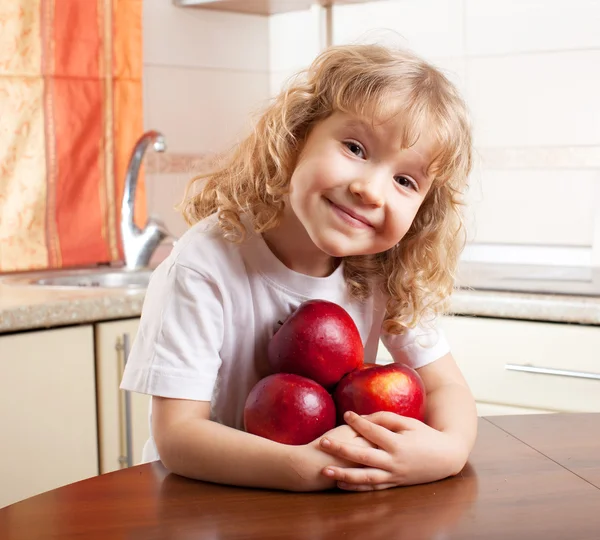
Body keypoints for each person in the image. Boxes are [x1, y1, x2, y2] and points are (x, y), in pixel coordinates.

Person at [120, 43, 478, 493]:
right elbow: (178, 437)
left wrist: (448, 451)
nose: (371, 190)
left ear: (422, 211)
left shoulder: (383, 270)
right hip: (206, 504)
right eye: (355, 147)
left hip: (325, 507)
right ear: (294, 138)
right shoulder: (205, 263)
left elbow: (448, 389)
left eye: (405, 181)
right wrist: (306, 469)